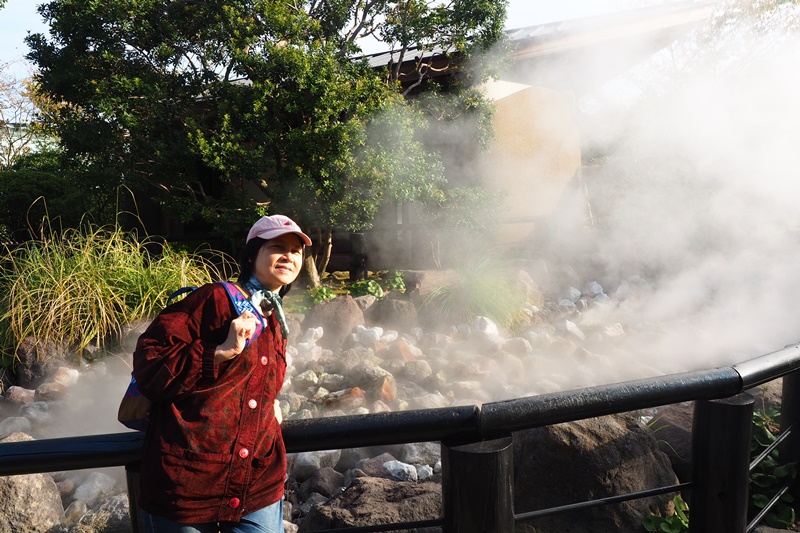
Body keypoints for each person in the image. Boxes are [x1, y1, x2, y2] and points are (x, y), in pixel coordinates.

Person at [132, 214, 312, 533]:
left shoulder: (274, 319)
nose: (289, 256)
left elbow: (247, 382)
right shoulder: (215, 299)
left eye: (296, 251)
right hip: (188, 485)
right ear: (251, 255)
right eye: (277, 247)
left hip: (256, 485)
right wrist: (220, 351)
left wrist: (269, 400)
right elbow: (150, 361)